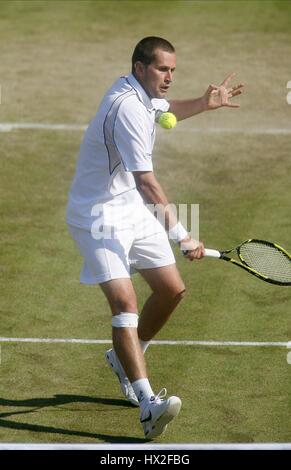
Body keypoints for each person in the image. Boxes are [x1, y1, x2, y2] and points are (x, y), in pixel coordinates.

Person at [66, 37, 243, 439]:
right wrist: (183, 236)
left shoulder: (141, 95)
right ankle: (148, 405)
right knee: (125, 302)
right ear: (140, 66)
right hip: (97, 216)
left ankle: (125, 356)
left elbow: (166, 110)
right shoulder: (127, 106)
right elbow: (148, 182)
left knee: (171, 290)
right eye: (163, 69)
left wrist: (202, 103)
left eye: (173, 71)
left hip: (128, 209)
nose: (168, 78)